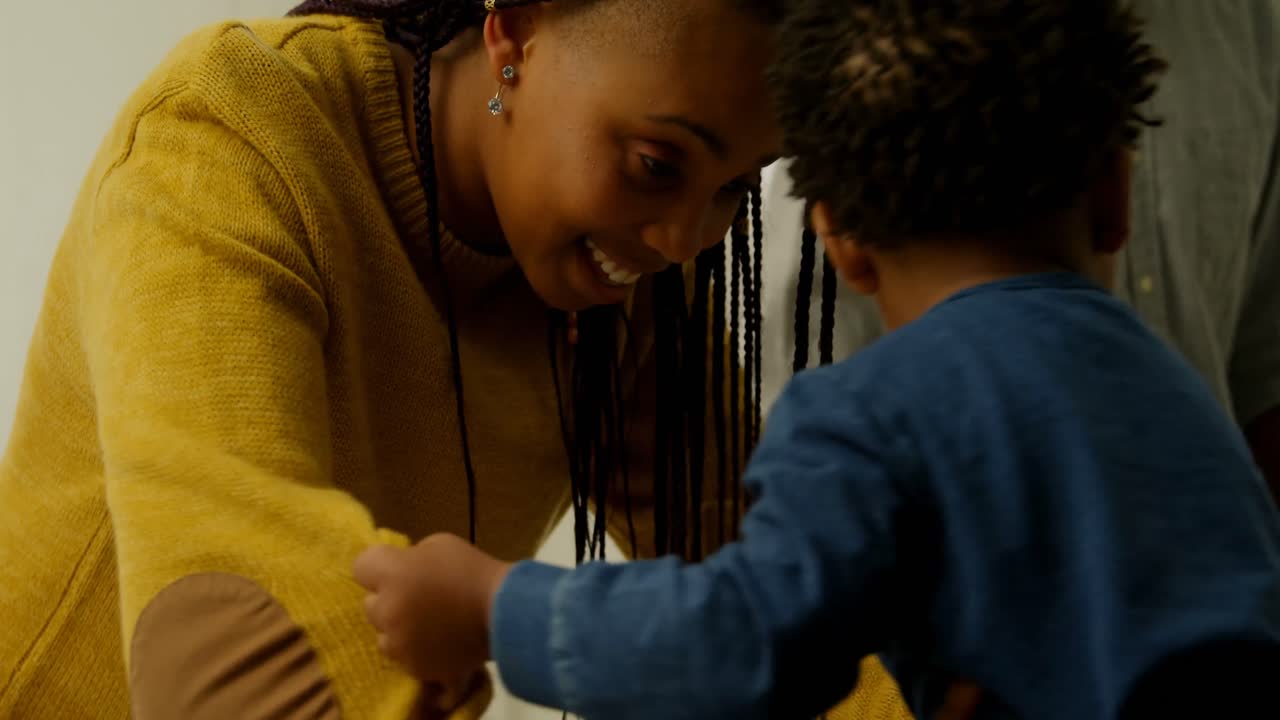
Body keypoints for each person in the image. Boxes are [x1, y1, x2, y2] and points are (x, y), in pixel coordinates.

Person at [351, 1, 1280, 719]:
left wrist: (493, 607)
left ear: (839, 239)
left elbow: (746, 649)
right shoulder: (1186, 406)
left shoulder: (873, 414)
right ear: (1115, 196)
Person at [0, 1, 789, 718]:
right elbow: (231, 610)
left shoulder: (633, 285)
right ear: (514, 36)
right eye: (657, 163)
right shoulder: (228, 133)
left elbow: (777, 589)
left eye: (733, 190)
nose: (683, 240)